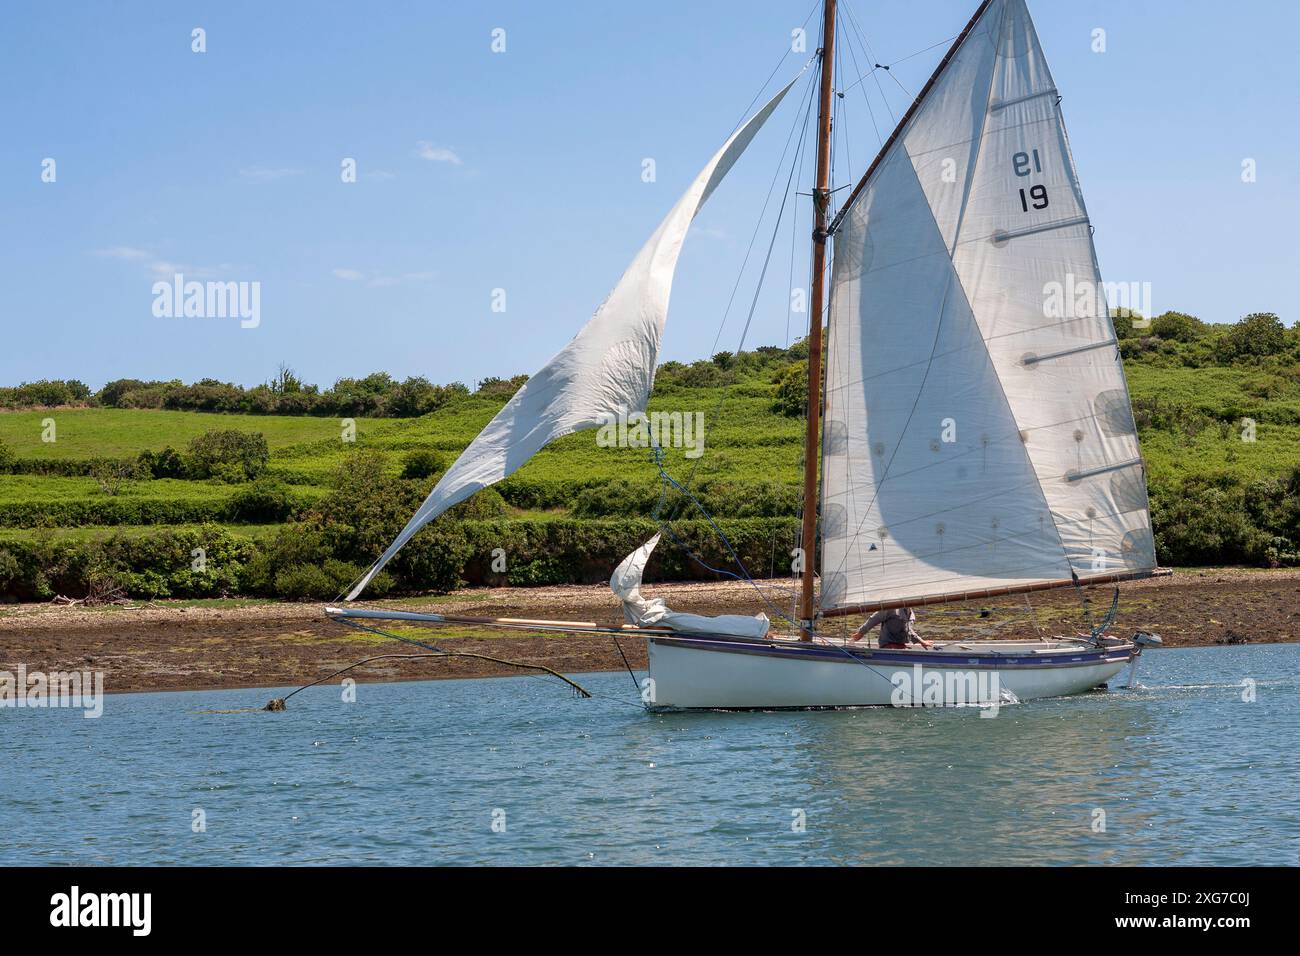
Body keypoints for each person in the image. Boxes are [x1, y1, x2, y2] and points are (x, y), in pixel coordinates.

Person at [850, 606, 933, 649]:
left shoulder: (910, 612)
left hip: (901, 645)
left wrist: (921, 641)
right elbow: (874, 619)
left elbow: (908, 630)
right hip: (887, 646)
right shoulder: (891, 608)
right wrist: (861, 633)